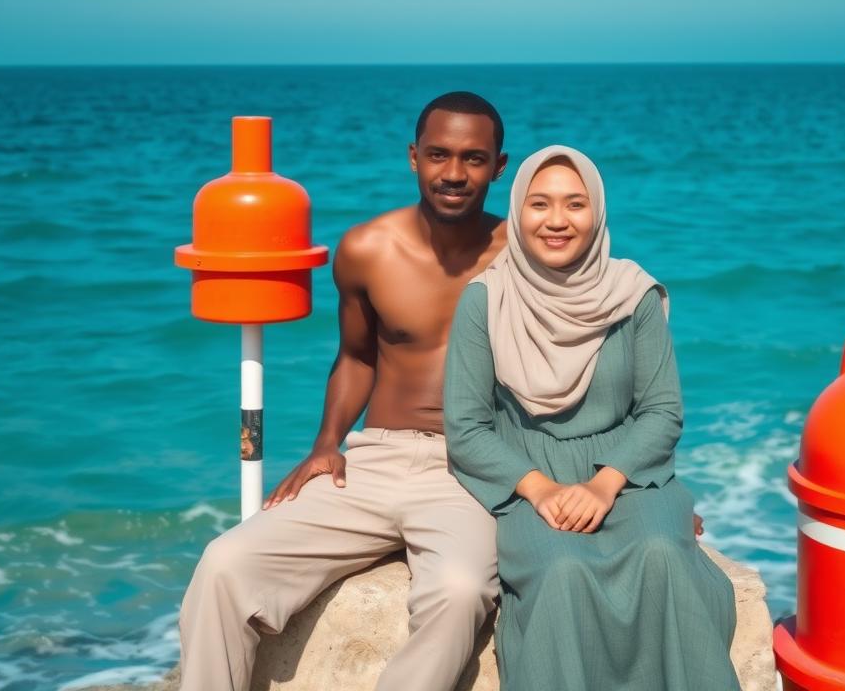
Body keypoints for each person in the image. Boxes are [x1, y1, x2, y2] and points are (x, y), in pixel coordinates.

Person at [179, 92, 509, 691]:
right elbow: (356, 357)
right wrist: (326, 443)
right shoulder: (367, 249)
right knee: (225, 564)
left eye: (473, 158)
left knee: (461, 593)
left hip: (470, 471)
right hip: (373, 457)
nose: (454, 174)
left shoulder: (523, 256)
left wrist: (639, 488)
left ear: (499, 166)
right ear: (414, 158)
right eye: (438, 155)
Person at [444, 146, 739, 691]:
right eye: (540, 204)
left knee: (663, 559)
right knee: (562, 573)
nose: (557, 220)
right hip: (528, 480)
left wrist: (605, 484)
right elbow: (465, 428)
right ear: (517, 211)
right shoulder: (486, 301)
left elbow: (662, 410)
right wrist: (541, 490)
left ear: (597, 212)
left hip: (628, 473)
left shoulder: (633, 295)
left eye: (575, 204)